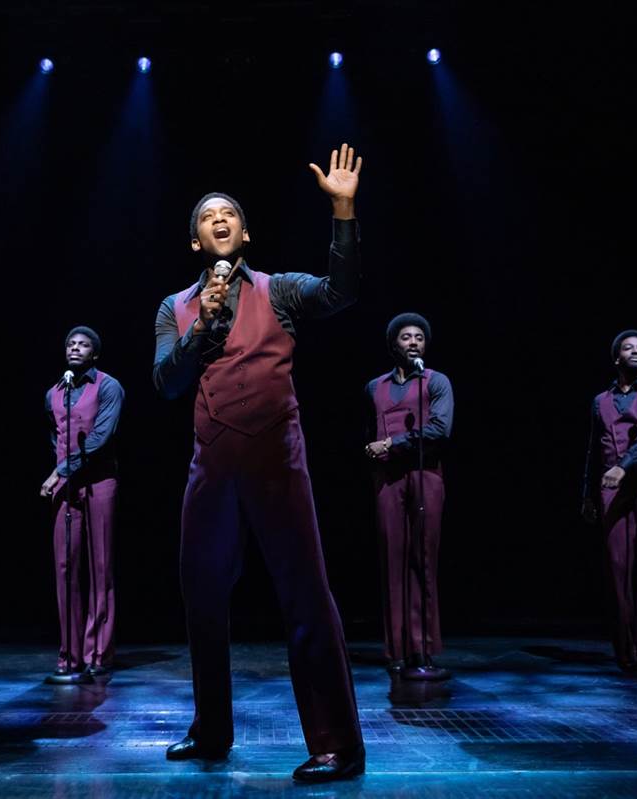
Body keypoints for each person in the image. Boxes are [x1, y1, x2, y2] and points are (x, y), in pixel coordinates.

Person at [153, 144, 365, 783]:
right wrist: (202, 326)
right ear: (195, 241)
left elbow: (342, 291)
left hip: (277, 458)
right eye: (207, 216)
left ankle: (337, 745)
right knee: (202, 599)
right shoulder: (175, 307)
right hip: (212, 468)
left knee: (305, 595)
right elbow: (164, 382)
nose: (218, 220)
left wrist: (343, 210)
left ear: (244, 233)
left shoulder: (281, 291)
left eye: (229, 214)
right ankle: (211, 731)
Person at [364, 313, 453, 681]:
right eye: (406, 337)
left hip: (425, 475)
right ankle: (397, 651)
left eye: (419, 336)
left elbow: (439, 430)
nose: (414, 341)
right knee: (392, 562)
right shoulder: (375, 387)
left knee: (423, 559)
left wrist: (391, 444)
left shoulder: (437, 382)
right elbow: (370, 431)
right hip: (388, 480)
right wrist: (373, 450)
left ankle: (425, 649)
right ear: (393, 344)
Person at [581, 329, 637, 678]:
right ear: (616, 358)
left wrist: (624, 466)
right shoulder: (600, 401)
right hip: (610, 486)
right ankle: (626, 650)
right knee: (618, 566)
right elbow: (593, 449)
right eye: (628, 347)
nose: (636, 351)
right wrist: (588, 494)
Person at [41, 326, 123, 683]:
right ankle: (69, 654)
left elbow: (101, 437)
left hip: (100, 481)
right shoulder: (54, 393)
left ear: (95, 353)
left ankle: (98, 654)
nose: (75, 348)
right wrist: (61, 472)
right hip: (67, 484)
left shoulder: (107, 386)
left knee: (100, 566)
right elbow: (55, 436)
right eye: (70, 343)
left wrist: (60, 471)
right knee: (65, 566)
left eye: (83, 344)